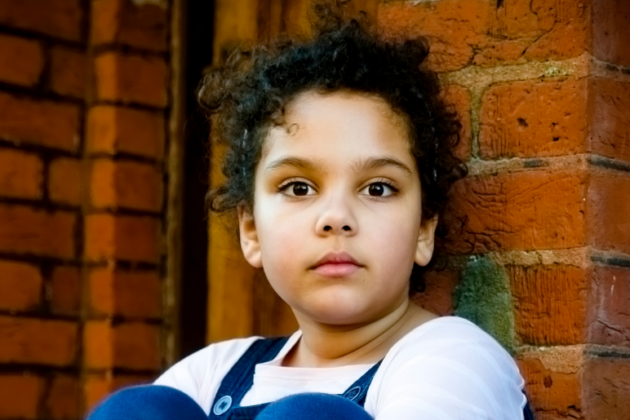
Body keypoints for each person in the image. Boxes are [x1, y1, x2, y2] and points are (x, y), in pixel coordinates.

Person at [88, 2, 533, 419]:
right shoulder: (213, 374)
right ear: (251, 231)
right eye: (298, 187)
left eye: (378, 188)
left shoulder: (451, 357)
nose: (336, 216)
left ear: (423, 230)